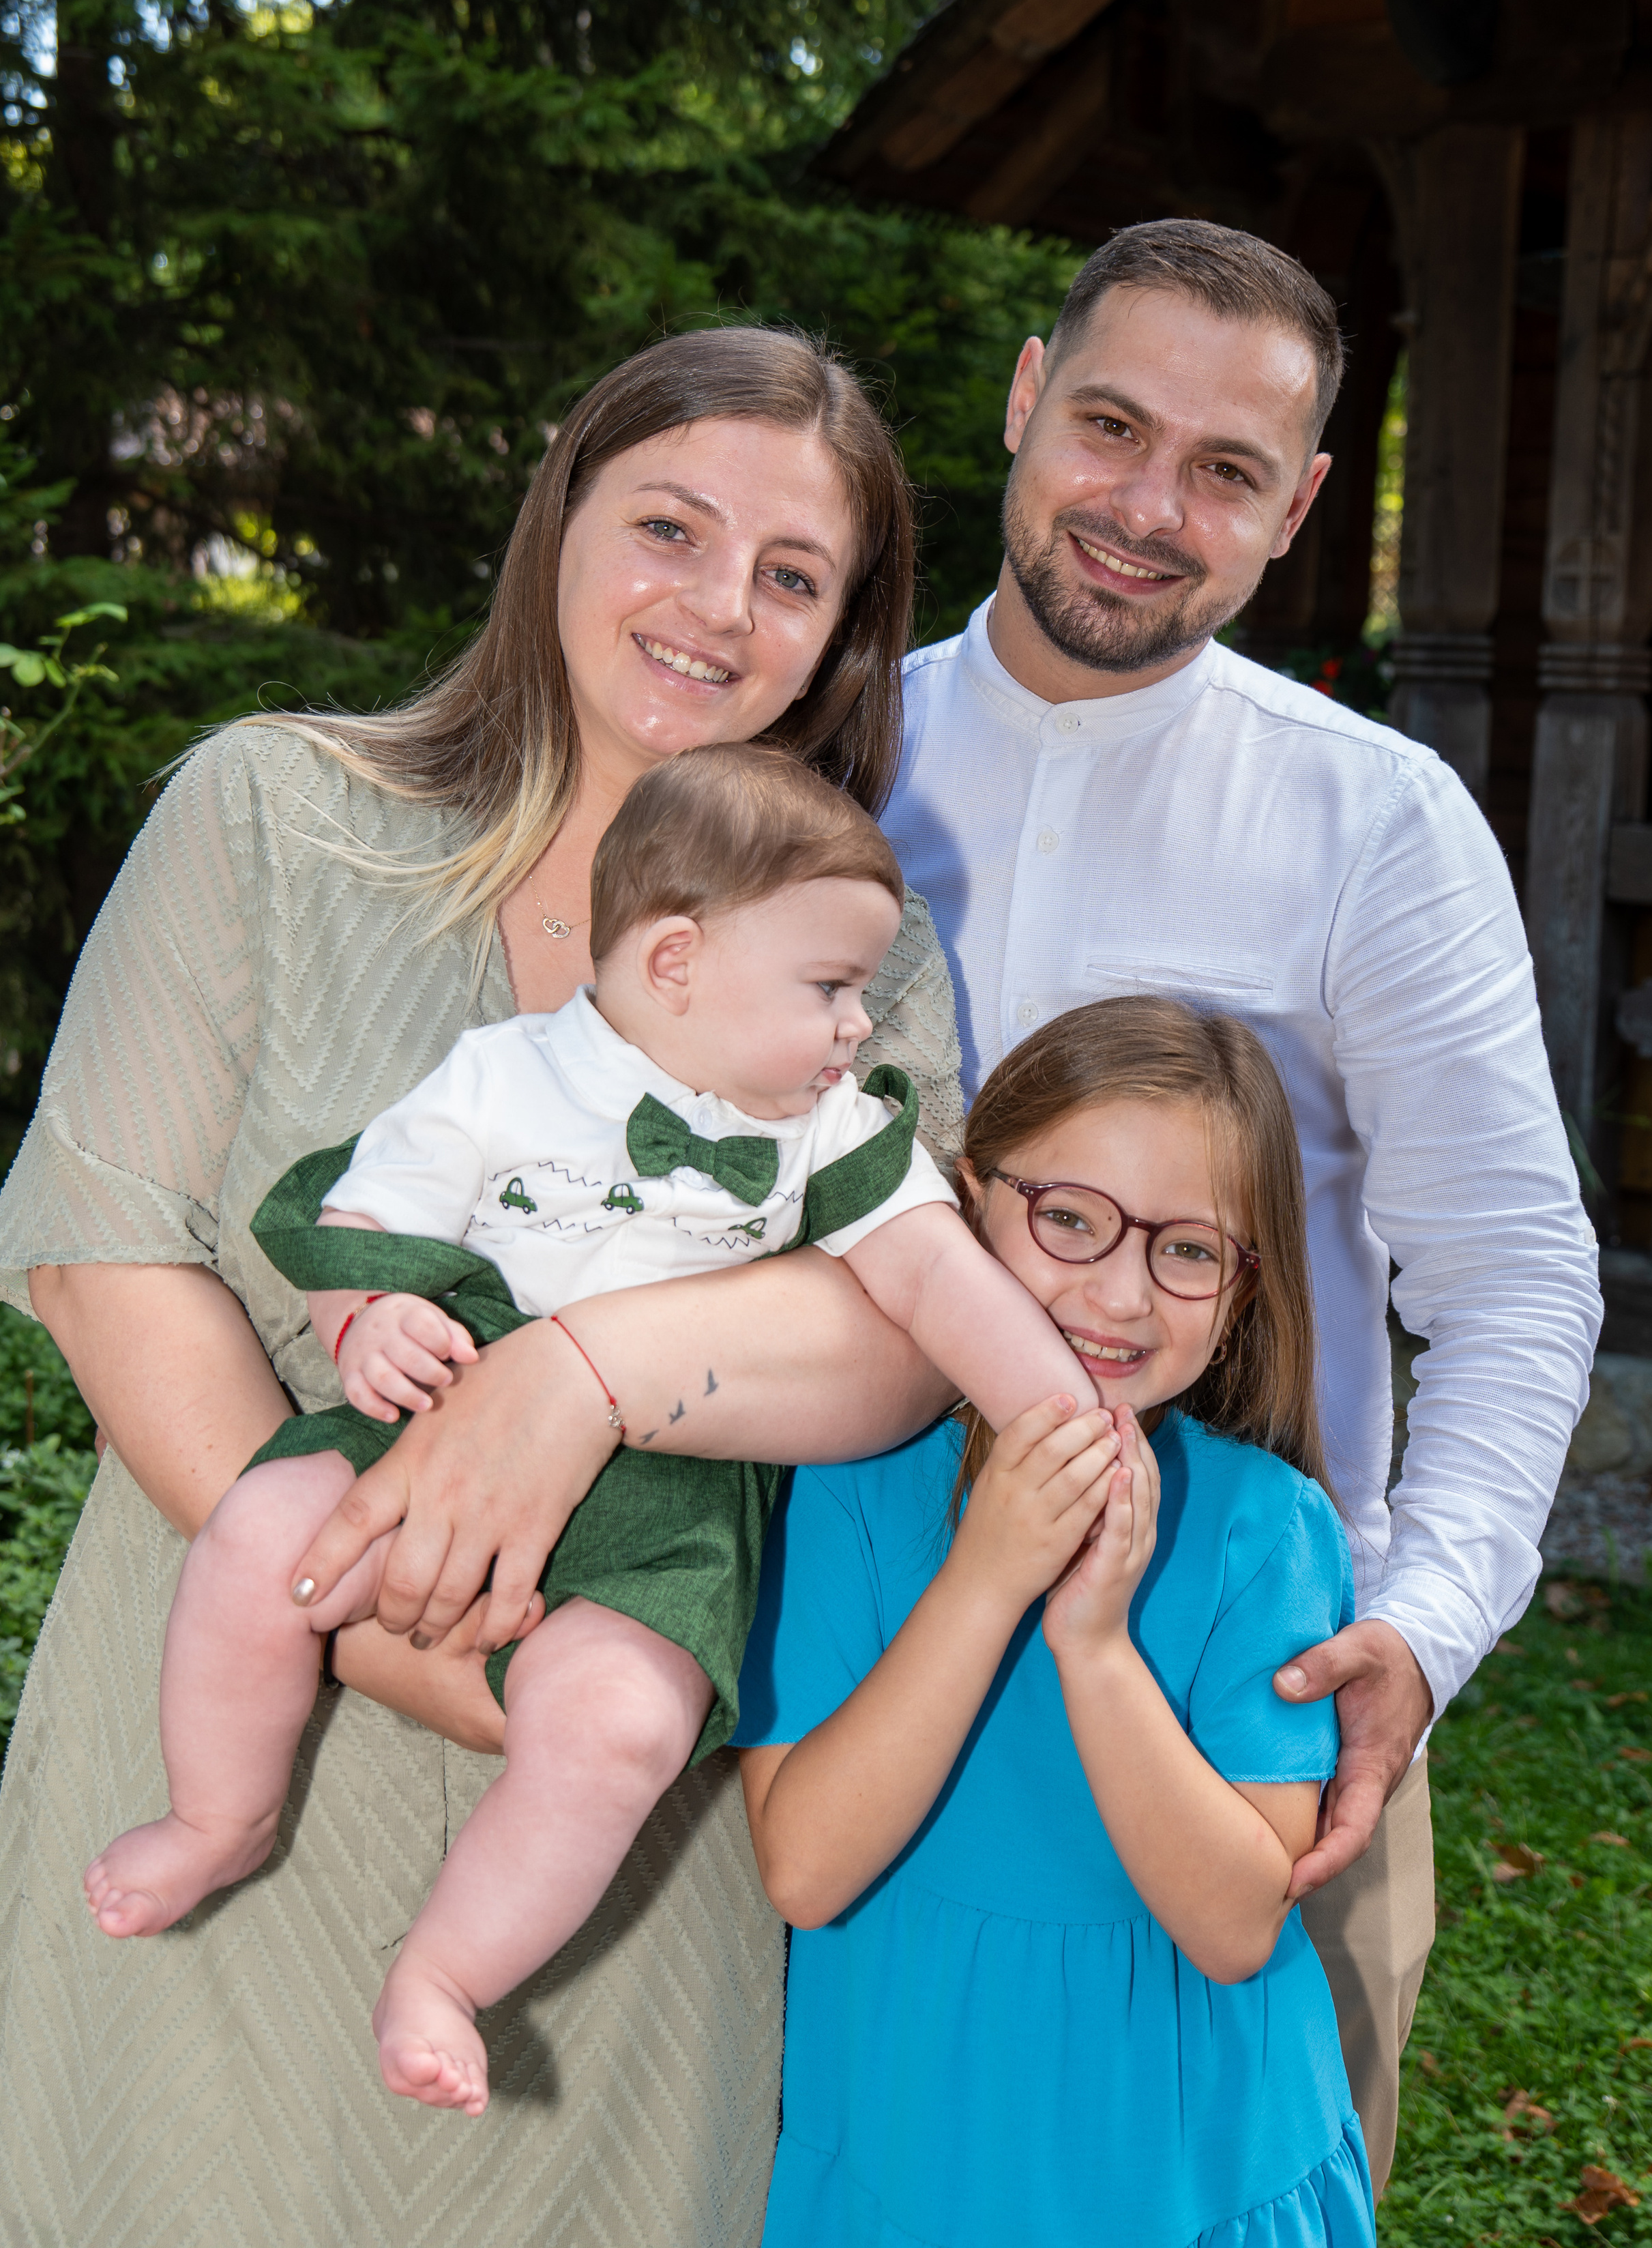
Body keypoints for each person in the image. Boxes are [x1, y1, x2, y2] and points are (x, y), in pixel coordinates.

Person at [1, 327, 967, 2243]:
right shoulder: (266, 818)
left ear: (846, 631)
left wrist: (587, 1375)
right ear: (557, 516)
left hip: (601, 1852)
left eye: (792, 576)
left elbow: (889, 1341)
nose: (716, 606)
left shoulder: (872, 954)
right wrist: (376, 1628)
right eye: (669, 527)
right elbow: (108, 1268)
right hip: (220, 1731)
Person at [876, 218, 1604, 2191]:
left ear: (1297, 510)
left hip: (1246, 1691)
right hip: (848, 1657)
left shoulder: (1375, 821)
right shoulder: (814, 756)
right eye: (1110, 424)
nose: (1144, 506)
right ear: (1026, 401)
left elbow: (1516, 1277)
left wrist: (1422, 1625)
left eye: (1222, 468)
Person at [83, 745, 1096, 2124]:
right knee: (261, 1536)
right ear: (675, 962)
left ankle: (445, 1971)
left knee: (618, 1727)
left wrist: (1062, 1416)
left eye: (859, 993)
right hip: (450, 1413)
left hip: (670, 1504)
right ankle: (219, 1811)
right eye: (829, 988)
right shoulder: (501, 1074)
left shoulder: (829, 1132)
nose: (859, 1026)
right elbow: (365, 1215)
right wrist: (369, 1308)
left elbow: (934, 1280)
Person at [737, 996, 1376, 2247]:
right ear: (969, 1205)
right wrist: (986, 1580)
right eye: (1069, 1219)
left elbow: (1238, 1920)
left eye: (1189, 1250)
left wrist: (1092, 1643)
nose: (1121, 1293)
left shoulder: (1266, 1529)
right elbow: (805, 1869)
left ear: (1246, 1293)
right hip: (914, 2164)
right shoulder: (853, 1482)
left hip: (1185, 2176)